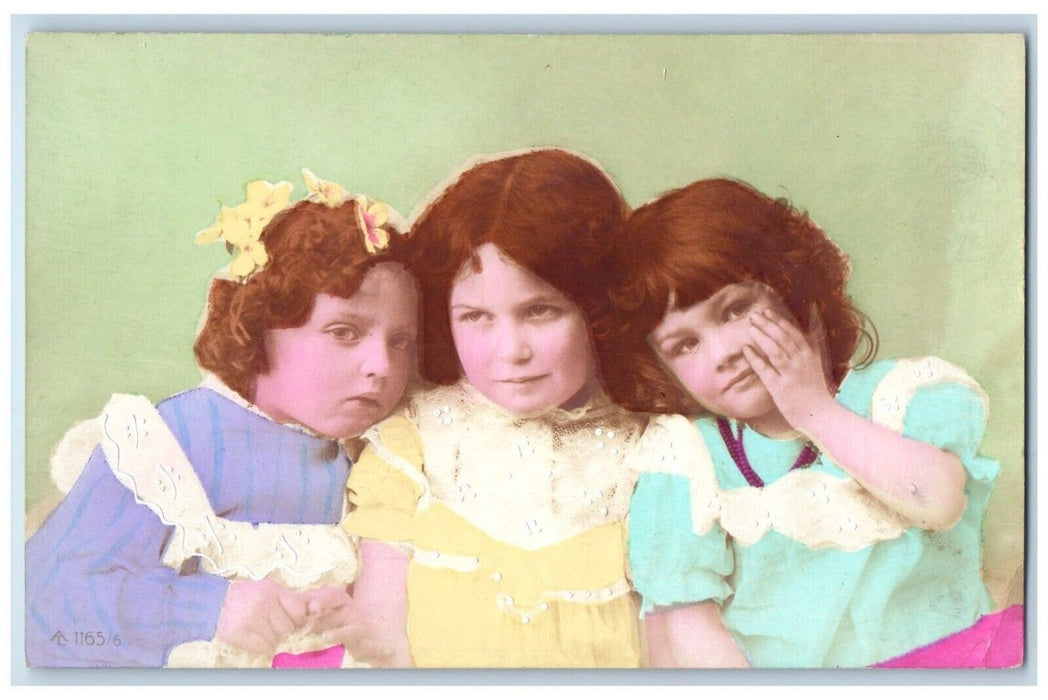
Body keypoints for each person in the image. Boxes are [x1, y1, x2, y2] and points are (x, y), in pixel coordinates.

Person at [340, 149, 738, 668]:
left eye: (540, 310)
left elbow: (681, 645)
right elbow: (378, 643)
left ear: (595, 311)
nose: (511, 351)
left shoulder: (656, 448)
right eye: (476, 316)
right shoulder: (412, 442)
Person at [608, 177, 1019, 668]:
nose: (723, 353)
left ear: (795, 290)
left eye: (736, 309)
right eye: (685, 345)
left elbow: (941, 503)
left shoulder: (897, 396)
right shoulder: (689, 456)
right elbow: (690, 623)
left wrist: (815, 412)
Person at [25, 171, 419, 668]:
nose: (381, 367)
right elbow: (39, 603)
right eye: (344, 332)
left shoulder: (373, 456)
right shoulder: (176, 440)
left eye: (400, 343)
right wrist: (207, 609)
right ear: (260, 324)